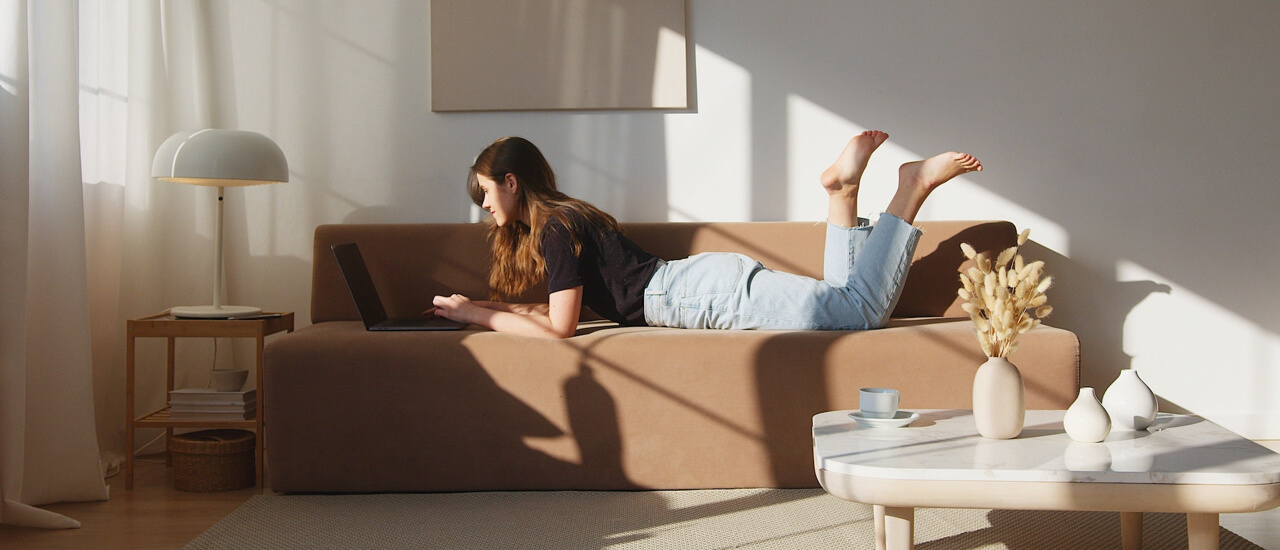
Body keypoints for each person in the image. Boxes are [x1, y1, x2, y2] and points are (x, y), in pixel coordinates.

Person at [429, 132, 982, 339]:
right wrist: (471, 303)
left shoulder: (554, 230)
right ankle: (842, 192)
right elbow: (553, 308)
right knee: (844, 302)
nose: (483, 207)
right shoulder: (565, 218)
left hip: (694, 296)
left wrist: (478, 316)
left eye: (483, 193)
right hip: (693, 287)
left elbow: (560, 327)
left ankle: (910, 188)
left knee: (861, 312)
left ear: (509, 180)